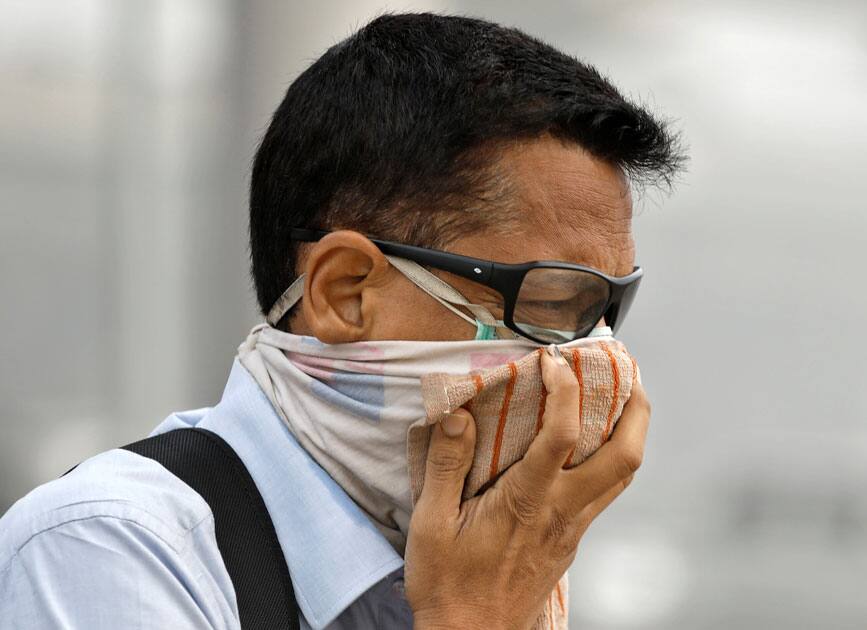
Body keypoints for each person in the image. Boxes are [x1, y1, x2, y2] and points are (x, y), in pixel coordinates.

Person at [0, 12, 683, 629]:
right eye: (546, 303)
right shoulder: (114, 547)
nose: (590, 359)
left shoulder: (506, 566)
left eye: (604, 313)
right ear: (345, 292)